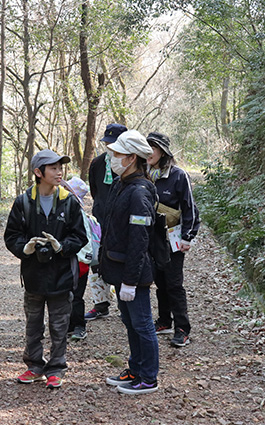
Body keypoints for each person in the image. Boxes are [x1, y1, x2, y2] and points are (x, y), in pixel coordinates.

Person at [4, 150, 88, 389]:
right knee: (33, 323)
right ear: (38, 172)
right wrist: (26, 249)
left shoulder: (69, 201)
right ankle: (34, 367)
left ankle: (57, 368)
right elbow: (11, 236)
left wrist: (62, 246)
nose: (59, 172)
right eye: (53, 168)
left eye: (61, 167)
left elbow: (80, 236)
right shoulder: (24, 202)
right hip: (33, 276)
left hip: (62, 275)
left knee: (60, 324)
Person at [99, 130, 160, 395]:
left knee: (143, 324)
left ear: (132, 158)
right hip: (119, 270)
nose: (112, 158)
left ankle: (148, 377)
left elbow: (139, 240)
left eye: (117, 154)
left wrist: (131, 281)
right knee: (130, 322)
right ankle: (135, 368)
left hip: (133, 273)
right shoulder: (121, 184)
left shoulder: (139, 192)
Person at [146, 132, 200, 347]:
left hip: (173, 238)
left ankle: (182, 328)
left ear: (163, 152)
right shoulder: (144, 174)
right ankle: (164, 321)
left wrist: (188, 236)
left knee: (174, 283)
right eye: (146, 148)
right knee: (159, 281)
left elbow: (190, 208)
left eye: (153, 148)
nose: (149, 153)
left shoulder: (178, 176)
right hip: (151, 238)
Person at [85, 123, 127, 321]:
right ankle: (100, 304)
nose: (110, 148)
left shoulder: (131, 163)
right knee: (96, 260)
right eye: (107, 143)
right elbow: (95, 191)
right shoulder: (97, 163)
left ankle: (125, 305)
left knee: (119, 259)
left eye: (115, 144)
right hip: (100, 219)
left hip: (122, 221)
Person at [62, 176, 94, 341]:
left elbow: (85, 239)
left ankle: (79, 326)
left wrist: (83, 259)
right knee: (66, 294)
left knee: (77, 295)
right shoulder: (63, 209)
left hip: (80, 261)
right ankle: (68, 325)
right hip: (68, 260)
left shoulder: (79, 213)